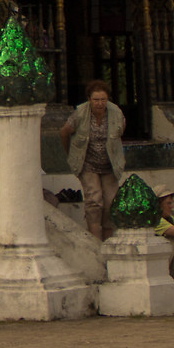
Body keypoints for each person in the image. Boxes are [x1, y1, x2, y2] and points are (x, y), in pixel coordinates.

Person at [59, 79, 129, 240]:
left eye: (103, 100)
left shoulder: (116, 113)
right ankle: (95, 241)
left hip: (109, 165)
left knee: (111, 202)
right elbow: (64, 132)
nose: (99, 103)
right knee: (94, 200)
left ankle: (108, 238)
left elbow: (120, 132)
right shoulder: (80, 113)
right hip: (88, 164)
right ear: (89, 99)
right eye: (96, 100)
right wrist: (71, 154)